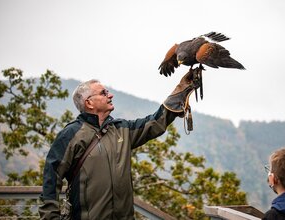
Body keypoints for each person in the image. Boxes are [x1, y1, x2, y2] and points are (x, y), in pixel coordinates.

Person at [38, 69, 200, 219]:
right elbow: (51, 177)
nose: (110, 95)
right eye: (104, 93)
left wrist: (180, 91)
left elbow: (154, 123)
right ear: (89, 103)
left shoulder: (121, 129)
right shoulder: (70, 135)